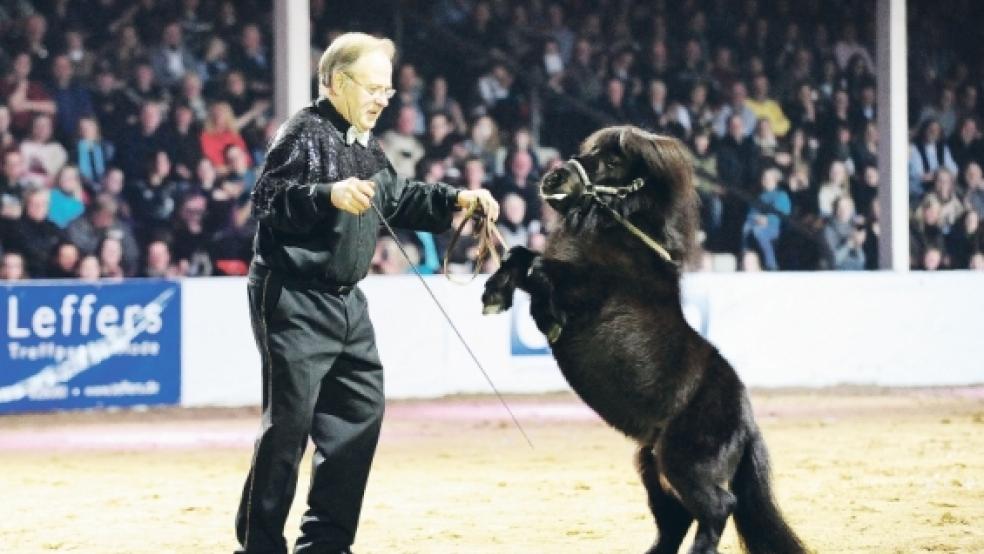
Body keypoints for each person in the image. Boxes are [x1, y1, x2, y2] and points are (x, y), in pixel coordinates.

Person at [236, 32, 498, 554]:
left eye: (387, 91)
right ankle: (260, 546)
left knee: (359, 415)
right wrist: (327, 194)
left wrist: (459, 200)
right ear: (335, 82)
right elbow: (267, 200)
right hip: (293, 297)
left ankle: (327, 544)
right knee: (288, 429)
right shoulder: (302, 131)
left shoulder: (363, 142)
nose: (384, 98)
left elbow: (398, 198)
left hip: (347, 303)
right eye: (374, 88)